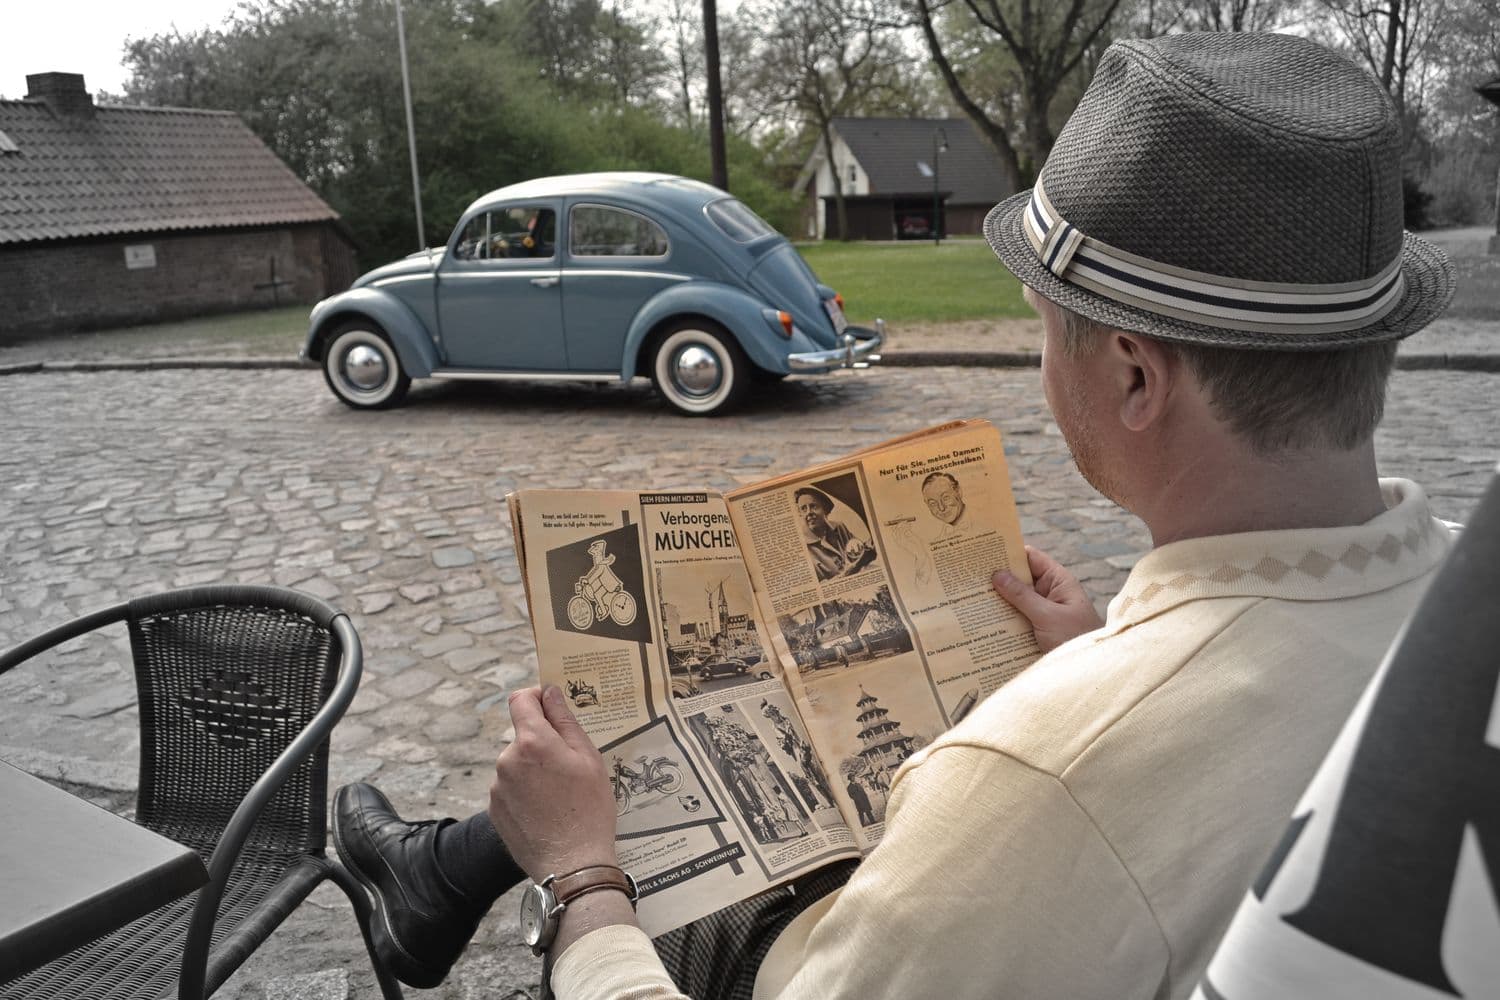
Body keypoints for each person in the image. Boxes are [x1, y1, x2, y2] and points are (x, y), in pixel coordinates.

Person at [330, 32, 1457, 1000]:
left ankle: (468, 866)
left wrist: (579, 877)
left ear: (1131, 379)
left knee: (635, 841)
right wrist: (1109, 653)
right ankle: (436, 872)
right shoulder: (1466, 603)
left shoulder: (1035, 775)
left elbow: (1075, 793)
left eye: (1042, 322)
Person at [794, 486, 875, 581]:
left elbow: (857, 552)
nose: (809, 513)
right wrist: (849, 572)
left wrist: (869, 547)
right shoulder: (802, 547)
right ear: (800, 513)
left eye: (813, 506)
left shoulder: (839, 527)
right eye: (804, 509)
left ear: (824, 509)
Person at [919, 472, 970, 537]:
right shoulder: (939, 538)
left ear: (958, 492)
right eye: (933, 503)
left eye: (945, 498)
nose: (941, 508)